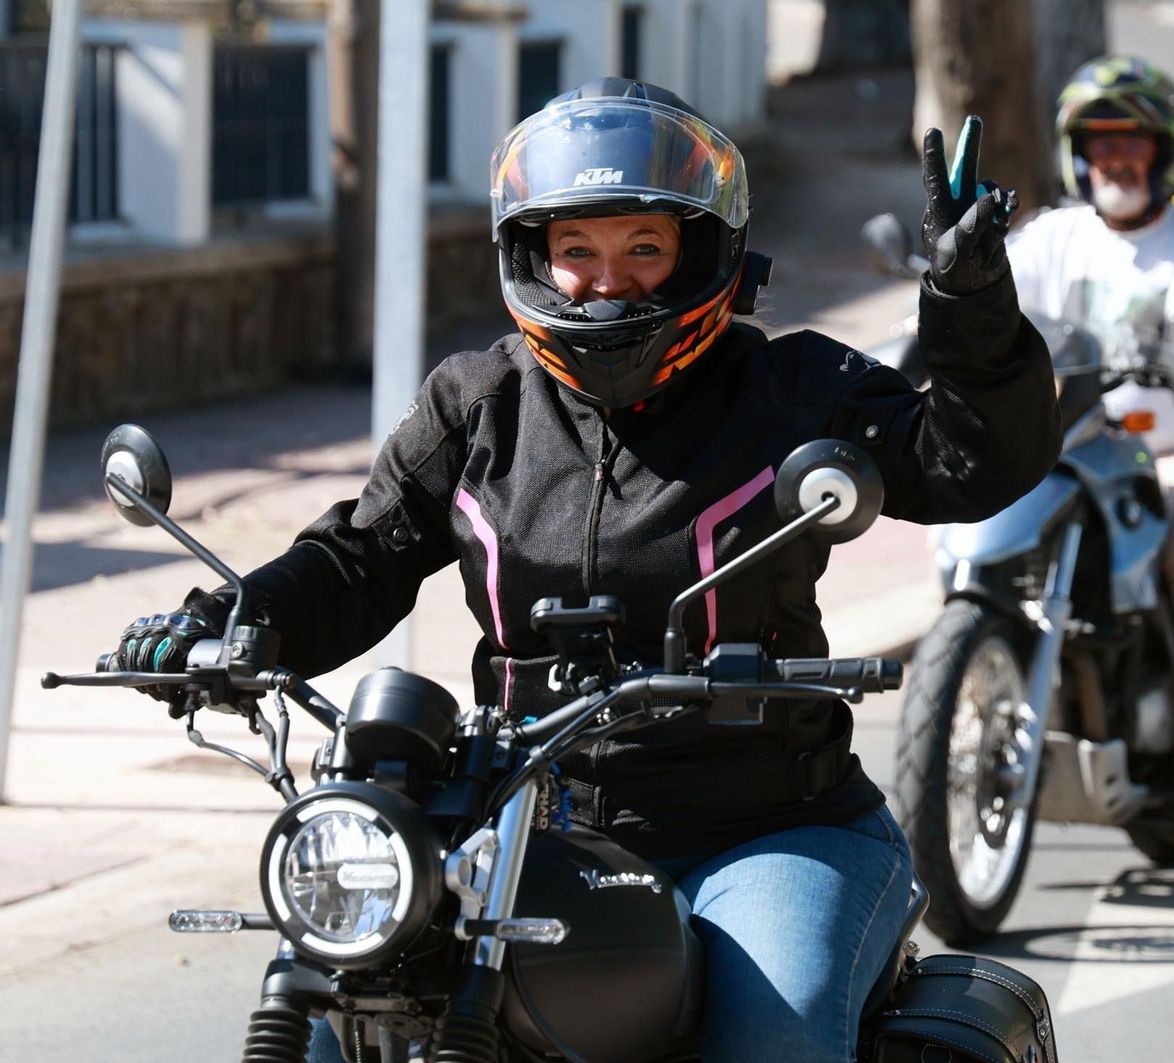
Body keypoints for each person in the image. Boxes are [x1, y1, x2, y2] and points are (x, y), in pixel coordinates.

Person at [107, 80, 1063, 1063]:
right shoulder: (477, 406)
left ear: (701, 250)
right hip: (522, 823)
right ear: (533, 255)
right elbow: (357, 558)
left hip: (765, 825)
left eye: (644, 248)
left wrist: (971, 305)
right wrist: (218, 621)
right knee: (346, 996)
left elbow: (970, 461)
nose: (609, 284)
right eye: (577, 250)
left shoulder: (790, 390)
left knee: (772, 1029)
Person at [1005, 56, 1174, 803]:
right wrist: (930, 318)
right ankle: (973, 692)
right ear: (1079, 153)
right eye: (1100, 141)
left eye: (1131, 140)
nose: (1114, 156)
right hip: (1063, 450)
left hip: (1170, 452)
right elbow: (986, 295)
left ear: (1163, 153)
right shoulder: (1051, 237)